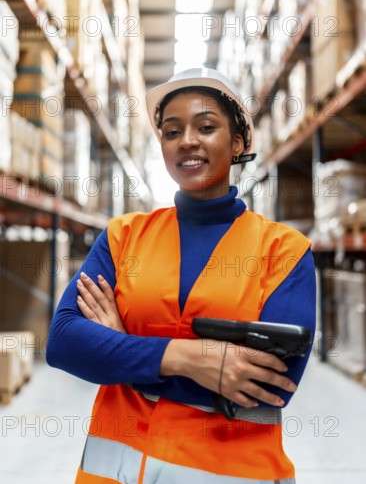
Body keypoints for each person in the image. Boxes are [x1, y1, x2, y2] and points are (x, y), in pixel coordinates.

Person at [47, 68, 316, 484]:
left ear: (238, 142)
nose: (187, 140)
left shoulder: (283, 250)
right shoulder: (123, 237)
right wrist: (189, 358)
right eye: (172, 132)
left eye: (206, 127)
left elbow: (271, 384)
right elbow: (64, 343)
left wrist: (119, 348)